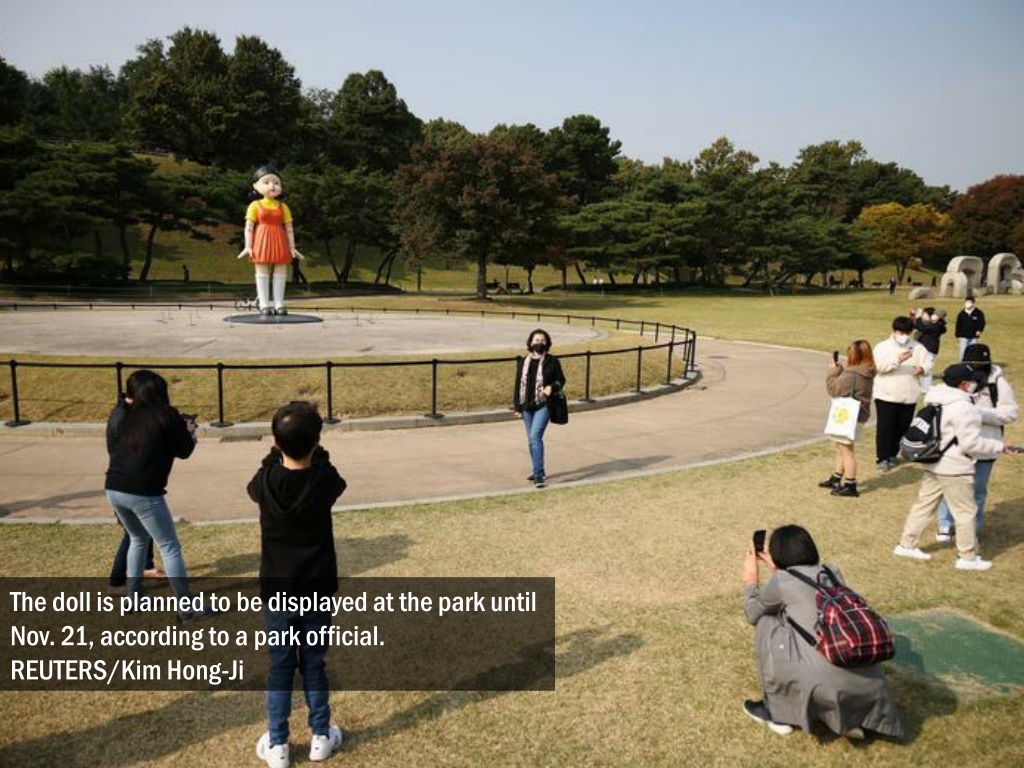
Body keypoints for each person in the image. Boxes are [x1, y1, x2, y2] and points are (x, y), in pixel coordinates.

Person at [248, 402, 347, 768]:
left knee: (280, 665)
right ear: (317, 441)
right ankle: (320, 735)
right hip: (316, 589)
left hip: (278, 591)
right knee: (314, 663)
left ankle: (278, 744)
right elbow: (333, 475)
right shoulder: (323, 481)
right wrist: (316, 452)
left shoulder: (266, 482)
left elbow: (257, 479)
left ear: (276, 443)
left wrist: (275, 454)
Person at [742, 525, 903, 740]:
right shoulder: (832, 572)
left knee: (766, 621)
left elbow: (753, 613)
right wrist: (777, 567)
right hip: (867, 680)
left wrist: (751, 579)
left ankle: (777, 712)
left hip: (827, 683)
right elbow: (801, 590)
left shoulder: (782, 581)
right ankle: (850, 719)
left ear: (778, 554)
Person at [104, 370, 207, 616]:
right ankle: (187, 608)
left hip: (114, 486)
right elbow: (184, 451)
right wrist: (190, 432)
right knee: (169, 546)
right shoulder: (167, 414)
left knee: (138, 539)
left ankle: (134, 597)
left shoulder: (127, 414)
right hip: (144, 492)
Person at [893, 364, 1013, 571]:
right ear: (964, 384)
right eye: (971, 381)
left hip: (933, 461)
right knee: (965, 511)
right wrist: (999, 446)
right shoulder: (964, 407)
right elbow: (971, 444)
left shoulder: (935, 397)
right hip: (955, 466)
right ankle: (967, 557)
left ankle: (906, 544)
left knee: (924, 505)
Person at [935, 344, 1019, 542]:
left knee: (978, 490)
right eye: (972, 366)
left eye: (980, 366)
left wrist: (980, 414)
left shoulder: (998, 383)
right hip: (956, 445)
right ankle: (945, 524)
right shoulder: (958, 379)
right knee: (951, 486)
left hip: (986, 445)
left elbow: (1010, 413)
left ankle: (972, 528)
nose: (976, 370)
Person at [237, 164, 304, 317]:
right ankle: (264, 304)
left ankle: (279, 304)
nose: (272, 185)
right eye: (266, 182)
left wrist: (292, 247)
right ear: (255, 186)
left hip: (280, 239)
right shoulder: (255, 205)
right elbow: (249, 227)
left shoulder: (283, 207)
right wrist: (248, 246)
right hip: (261, 240)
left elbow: (289, 228)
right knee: (261, 269)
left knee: (281, 269)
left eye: (276, 182)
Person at [872, 316, 932, 473]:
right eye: (900, 332)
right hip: (886, 394)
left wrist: (923, 369)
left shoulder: (918, 347)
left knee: (902, 427)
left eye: (906, 332)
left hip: (908, 394)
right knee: (885, 427)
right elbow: (877, 367)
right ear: (894, 330)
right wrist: (897, 360)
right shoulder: (882, 347)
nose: (903, 336)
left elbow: (928, 363)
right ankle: (883, 458)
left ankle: (893, 454)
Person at [819, 340, 876, 497]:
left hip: (849, 417)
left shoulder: (853, 374)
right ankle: (837, 477)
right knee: (841, 447)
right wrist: (841, 371)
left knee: (846, 451)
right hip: (857, 415)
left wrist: (833, 371)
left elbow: (833, 389)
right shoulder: (866, 372)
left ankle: (850, 484)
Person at [512, 329, 566, 489]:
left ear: (547, 343)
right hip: (526, 406)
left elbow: (561, 380)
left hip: (544, 405)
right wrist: (517, 407)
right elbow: (517, 385)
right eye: (536, 340)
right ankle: (539, 469)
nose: (539, 343)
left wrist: (551, 387)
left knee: (535, 436)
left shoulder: (552, 361)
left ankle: (538, 475)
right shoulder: (523, 362)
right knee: (531, 439)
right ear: (530, 342)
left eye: (542, 340)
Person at [913, 307, 946, 392]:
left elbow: (922, 328)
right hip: (925, 348)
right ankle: (923, 386)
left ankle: (927, 388)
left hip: (930, 348)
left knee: (926, 368)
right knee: (921, 366)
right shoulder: (932, 324)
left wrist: (918, 318)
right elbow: (919, 326)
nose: (933, 316)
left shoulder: (938, 326)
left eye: (936, 315)